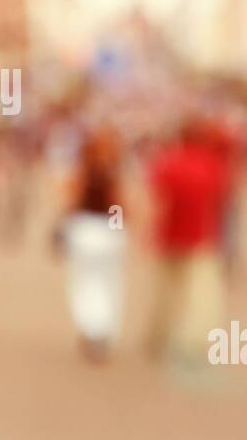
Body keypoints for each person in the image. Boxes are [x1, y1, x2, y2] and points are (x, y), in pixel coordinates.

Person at [146, 119, 230, 374]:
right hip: (202, 238)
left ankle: (159, 336)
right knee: (202, 295)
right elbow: (221, 203)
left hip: (170, 236)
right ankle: (194, 340)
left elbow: (156, 200)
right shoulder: (213, 166)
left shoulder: (168, 164)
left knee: (165, 292)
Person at [60, 127, 126, 362]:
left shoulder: (82, 173)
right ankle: (104, 329)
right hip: (109, 233)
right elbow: (122, 205)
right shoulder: (113, 174)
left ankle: (90, 329)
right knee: (109, 285)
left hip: (84, 232)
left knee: (83, 284)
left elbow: (70, 202)